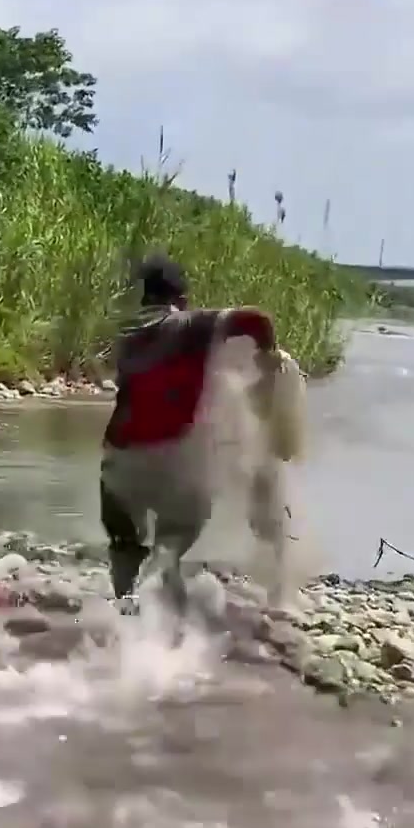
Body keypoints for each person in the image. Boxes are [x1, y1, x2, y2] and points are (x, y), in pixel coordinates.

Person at [100, 253, 279, 608]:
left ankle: (126, 612)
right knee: (177, 531)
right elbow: (255, 319)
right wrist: (269, 356)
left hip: (119, 456)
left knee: (123, 541)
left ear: (144, 296)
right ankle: (152, 589)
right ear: (180, 298)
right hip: (175, 452)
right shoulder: (190, 324)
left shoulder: (124, 332)